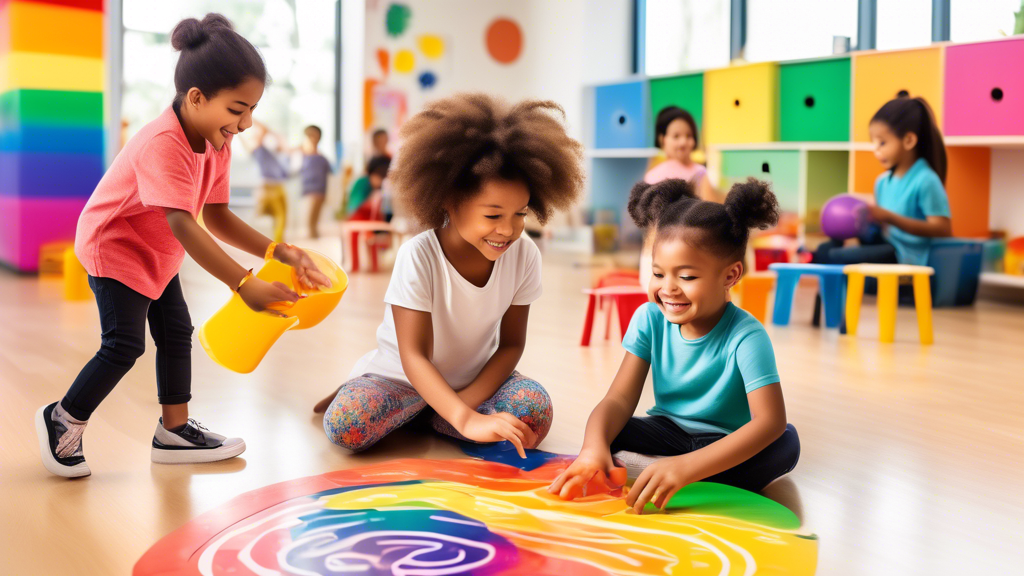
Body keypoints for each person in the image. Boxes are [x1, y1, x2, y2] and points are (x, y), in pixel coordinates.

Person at [35, 14, 330, 478]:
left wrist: (280, 252)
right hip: (115, 245)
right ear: (196, 98)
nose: (247, 122)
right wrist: (242, 283)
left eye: (252, 109)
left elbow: (215, 216)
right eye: (237, 109)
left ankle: (173, 430)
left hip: (157, 249)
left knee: (176, 332)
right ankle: (63, 418)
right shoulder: (162, 143)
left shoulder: (218, 139)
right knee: (123, 344)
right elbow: (183, 224)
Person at [314, 94, 585, 456]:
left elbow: (510, 346)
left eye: (520, 214)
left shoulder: (524, 255)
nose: (508, 230)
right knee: (347, 424)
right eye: (493, 216)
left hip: (473, 379)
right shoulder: (419, 255)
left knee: (533, 411)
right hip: (402, 378)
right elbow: (414, 357)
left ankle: (433, 415)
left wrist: (466, 405)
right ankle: (415, 405)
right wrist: (466, 418)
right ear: (449, 200)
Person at [549, 177, 800, 513]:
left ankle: (669, 473)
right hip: (667, 431)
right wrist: (592, 449)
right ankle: (668, 473)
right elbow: (618, 399)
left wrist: (686, 466)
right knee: (608, 429)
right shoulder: (649, 319)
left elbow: (769, 422)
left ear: (730, 275)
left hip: (723, 442)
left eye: (686, 277)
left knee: (785, 443)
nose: (668, 289)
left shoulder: (747, 336)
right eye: (658, 273)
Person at [815, 97, 951, 266]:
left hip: (906, 256)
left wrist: (889, 217)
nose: (876, 150)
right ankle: (829, 292)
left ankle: (836, 290)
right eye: (873, 143)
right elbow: (882, 229)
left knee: (839, 258)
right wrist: (863, 219)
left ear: (908, 140)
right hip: (885, 245)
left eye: (882, 142)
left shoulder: (926, 180)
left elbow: (942, 229)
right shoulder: (882, 182)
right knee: (825, 250)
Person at [644, 106, 719, 202]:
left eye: (688, 136)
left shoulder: (700, 173)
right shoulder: (653, 175)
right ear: (662, 139)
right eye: (676, 136)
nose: (683, 142)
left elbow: (709, 206)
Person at [242, 119, 289, 243]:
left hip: (275, 185)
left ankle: (277, 245)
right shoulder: (257, 148)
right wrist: (250, 116)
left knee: (279, 220)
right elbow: (265, 129)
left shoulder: (267, 151)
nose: (259, 136)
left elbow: (279, 143)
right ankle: (275, 246)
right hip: (269, 187)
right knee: (279, 219)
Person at [299, 124, 333, 238]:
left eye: (314, 135)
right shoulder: (301, 155)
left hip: (319, 190)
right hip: (307, 191)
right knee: (308, 221)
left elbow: (330, 174)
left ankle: (313, 240)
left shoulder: (322, 158)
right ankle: (312, 239)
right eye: (309, 135)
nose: (311, 138)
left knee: (313, 221)